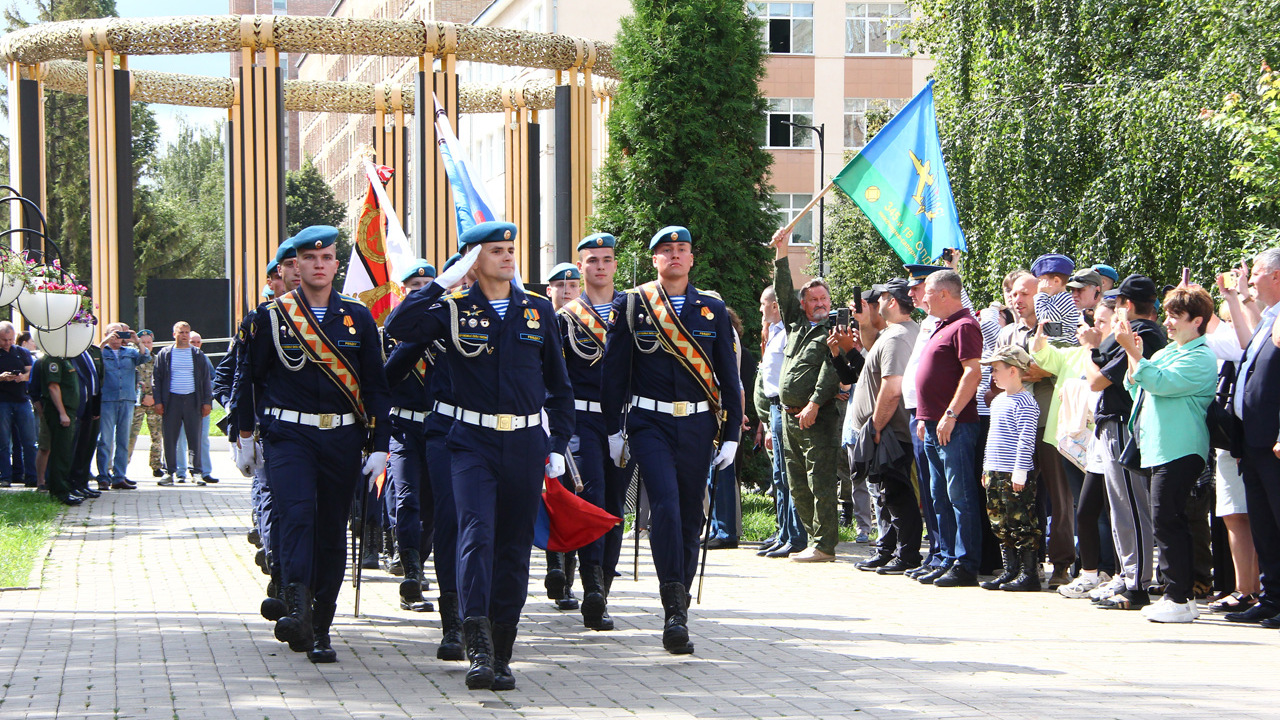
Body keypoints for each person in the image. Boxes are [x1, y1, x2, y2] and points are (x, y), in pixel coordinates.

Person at [386, 221, 573, 689]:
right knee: (476, 534)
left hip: (526, 443)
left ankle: (504, 648)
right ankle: (478, 646)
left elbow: (559, 386)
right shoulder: (452, 309)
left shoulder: (537, 311)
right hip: (470, 441)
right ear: (474, 258)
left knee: (513, 545)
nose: (508, 257)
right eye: (496, 250)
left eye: (511, 248)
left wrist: (557, 445)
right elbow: (398, 326)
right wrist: (444, 282)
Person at [234, 225, 391, 663]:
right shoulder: (269, 317)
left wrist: (381, 443)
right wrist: (245, 436)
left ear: (336, 265)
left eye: (327, 259)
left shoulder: (357, 317)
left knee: (331, 531)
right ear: (296, 266)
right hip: (289, 436)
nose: (319, 265)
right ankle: (298, 609)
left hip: (342, 436)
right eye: (309, 259)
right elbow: (249, 380)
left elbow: (376, 387)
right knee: (298, 516)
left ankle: (321, 624)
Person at [603, 225, 741, 655]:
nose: (676, 256)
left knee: (688, 514)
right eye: (667, 250)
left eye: (682, 249)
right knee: (662, 504)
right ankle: (672, 606)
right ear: (655, 260)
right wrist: (613, 429)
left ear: (692, 259)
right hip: (649, 424)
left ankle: (678, 601)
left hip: (698, 426)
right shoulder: (633, 305)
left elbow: (730, 379)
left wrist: (733, 433)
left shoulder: (711, 311)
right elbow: (613, 373)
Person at [1117, 284, 1217, 623]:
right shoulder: (1168, 352)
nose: (1169, 323)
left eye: (1178, 317)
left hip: (1182, 447)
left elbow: (1160, 383)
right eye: (1169, 315)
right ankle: (1181, 595)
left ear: (1198, 321)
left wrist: (1134, 355)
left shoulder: (1201, 356)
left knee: (1167, 519)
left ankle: (1179, 595)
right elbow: (1137, 388)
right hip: (1159, 447)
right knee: (1169, 519)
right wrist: (1137, 359)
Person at [1085, 277, 1167, 609]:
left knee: (1131, 507)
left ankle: (1137, 583)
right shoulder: (1130, 333)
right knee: (1121, 507)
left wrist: (1089, 349)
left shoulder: (1143, 334)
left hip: (1123, 422)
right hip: (1112, 423)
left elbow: (1097, 380)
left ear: (1127, 306)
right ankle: (1127, 573)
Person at [557, 232, 625, 630]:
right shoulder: (565, 318)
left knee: (615, 508)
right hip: (581, 422)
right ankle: (591, 587)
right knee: (592, 500)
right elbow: (555, 377)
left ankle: (604, 587)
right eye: (592, 260)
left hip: (620, 423)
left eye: (607, 259)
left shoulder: (632, 311)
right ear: (580, 267)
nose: (600, 266)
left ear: (615, 264)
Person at [768, 231, 842, 563]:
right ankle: (814, 540)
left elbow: (831, 370)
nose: (822, 304)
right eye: (815, 300)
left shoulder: (834, 331)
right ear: (804, 304)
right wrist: (781, 252)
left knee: (819, 479)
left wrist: (813, 403)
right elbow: (783, 290)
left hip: (817, 415)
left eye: (824, 299)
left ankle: (825, 544)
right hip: (788, 416)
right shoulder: (797, 325)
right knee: (797, 481)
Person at [841, 280, 922, 574]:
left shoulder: (898, 337)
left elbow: (892, 386)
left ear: (894, 301)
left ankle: (907, 555)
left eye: (885, 296)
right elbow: (871, 349)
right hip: (883, 428)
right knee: (884, 493)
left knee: (896, 493)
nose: (880, 301)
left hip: (888, 429)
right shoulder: (894, 334)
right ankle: (887, 549)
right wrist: (864, 322)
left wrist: (875, 425)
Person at [915, 269, 984, 587]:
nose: (922, 296)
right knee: (938, 495)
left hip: (954, 426)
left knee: (960, 495)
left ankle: (965, 562)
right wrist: (925, 416)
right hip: (931, 425)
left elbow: (972, 373)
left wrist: (951, 414)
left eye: (927, 291)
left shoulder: (965, 326)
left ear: (944, 293)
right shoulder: (940, 326)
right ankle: (944, 556)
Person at [1223, 248, 1280, 627]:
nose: (1250, 280)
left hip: (1273, 440)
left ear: (1276, 276)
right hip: (1254, 441)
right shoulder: (1269, 318)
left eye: (1256, 273)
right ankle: (1272, 596)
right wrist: (1236, 296)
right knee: (1264, 523)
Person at [382, 260, 438, 614]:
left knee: (431, 508)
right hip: (402, 428)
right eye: (413, 284)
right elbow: (381, 380)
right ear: (403, 290)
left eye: (426, 283)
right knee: (407, 499)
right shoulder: (388, 334)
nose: (420, 287)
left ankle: (419, 560)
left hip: (436, 429)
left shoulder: (444, 330)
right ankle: (411, 573)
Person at [978, 344, 1041, 591]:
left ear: (1014, 370)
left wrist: (1020, 471)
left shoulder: (1025, 402)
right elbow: (992, 438)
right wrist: (985, 468)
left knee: (1022, 522)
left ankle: (1029, 574)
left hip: (1012, 473)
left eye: (996, 369)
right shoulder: (998, 401)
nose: (993, 374)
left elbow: (1026, 440)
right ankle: (1010, 570)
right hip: (994, 470)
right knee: (1000, 522)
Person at [544, 260, 585, 611]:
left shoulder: (585, 325)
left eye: (573, 285)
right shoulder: (542, 322)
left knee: (567, 493)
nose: (568, 290)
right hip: (537, 417)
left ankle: (562, 573)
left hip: (574, 418)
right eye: (561, 285)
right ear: (550, 291)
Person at [754, 285, 806, 558]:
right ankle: (785, 532)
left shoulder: (787, 335)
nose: (760, 309)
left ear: (775, 305)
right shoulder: (774, 334)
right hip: (774, 409)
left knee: (789, 473)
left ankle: (796, 536)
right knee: (779, 475)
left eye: (763, 304)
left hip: (785, 408)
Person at [153, 322, 213, 485]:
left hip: (193, 400)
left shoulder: (198, 355)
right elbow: (156, 380)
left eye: (187, 332)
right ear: (174, 334)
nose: (185, 335)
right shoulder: (165, 354)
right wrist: (158, 401)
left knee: (195, 437)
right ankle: (169, 472)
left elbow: (206, 380)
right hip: (171, 400)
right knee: (170, 438)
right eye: (181, 332)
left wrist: (207, 402)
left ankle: (196, 472)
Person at [96, 323, 149, 490]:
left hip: (126, 399)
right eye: (113, 333)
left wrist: (137, 340)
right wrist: (105, 341)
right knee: (105, 440)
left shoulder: (130, 352)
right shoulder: (102, 352)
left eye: (120, 334)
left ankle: (119, 476)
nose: (117, 337)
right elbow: (93, 357)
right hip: (107, 400)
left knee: (123, 440)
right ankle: (103, 476)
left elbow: (145, 356)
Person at [37, 348, 80, 505]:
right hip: (59, 412)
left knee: (65, 452)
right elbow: (53, 387)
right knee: (60, 453)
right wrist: (62, 413)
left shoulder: (63, 358)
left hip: (68, 411)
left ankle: (63, 488)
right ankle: (59, 492)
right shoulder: (52, 359)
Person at [173, 331, 217, 485]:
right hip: (180, 404)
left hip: (200, 405)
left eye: (198, 342)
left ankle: (204, 472)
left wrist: (205, 391)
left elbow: (214, 379)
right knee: (180, 439)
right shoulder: (174, 355)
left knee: (202, 439)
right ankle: (181, 472)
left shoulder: (203, 358)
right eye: (193, 342)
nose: (196, 345)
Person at [0, 321, 37, 489]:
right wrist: (2, 377)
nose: (7, 343)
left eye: (9, 339)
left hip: (22, 400)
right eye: (3, 340)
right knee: (3, 442)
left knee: (29, 441)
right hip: (3, 401)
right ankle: (5, 477)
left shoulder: (21, 352)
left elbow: (31, 372)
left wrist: (23, 377)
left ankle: (32, 476)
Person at [126, 329, 163, 479]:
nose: (147, 345)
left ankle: (156, 466)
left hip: (154, 403)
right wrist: (141, 398)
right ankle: (123, 465)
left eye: (149, 342)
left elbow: (163, 381)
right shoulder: (133, 359)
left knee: (157, 436)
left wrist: (153, 397)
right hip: (137, 404)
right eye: (143, 342)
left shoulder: (159, 360)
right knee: (130, 436)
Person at [1032, 253, 1082, 346]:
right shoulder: (1055, 299)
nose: (1039, 286)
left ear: (1056, 281)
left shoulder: (1063, 299)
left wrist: (1041, 294)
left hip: (1064, 349)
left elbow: (1044, 318)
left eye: (1041, 281)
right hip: (1056, 347)